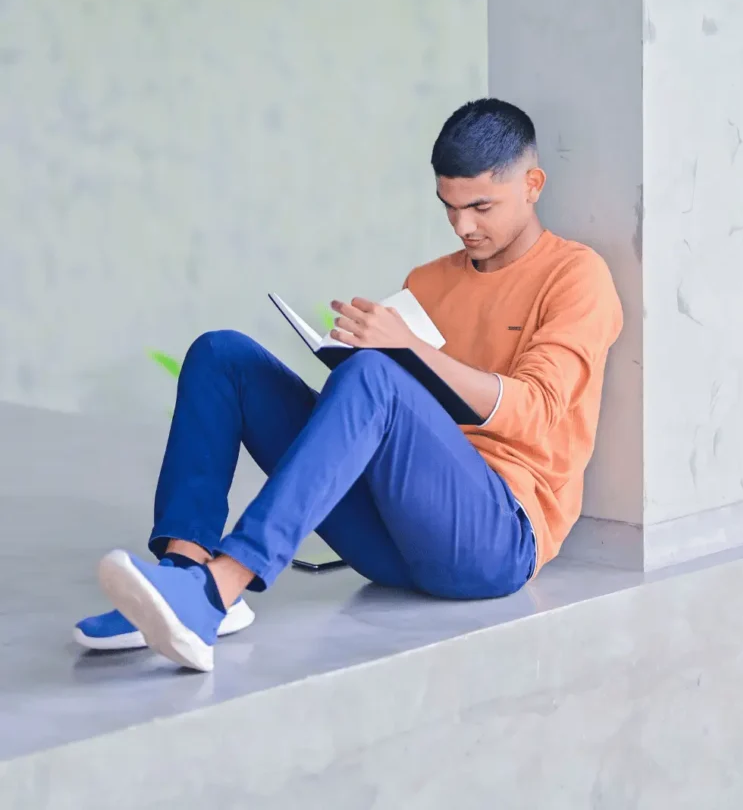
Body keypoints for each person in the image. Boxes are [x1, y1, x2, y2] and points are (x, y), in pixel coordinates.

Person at [76, 98, 623, 672]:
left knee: (375, 375)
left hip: (495, 542)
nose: (464, 226)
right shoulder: (430, 281)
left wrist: (400, 354)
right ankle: (181, 580)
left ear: (532, 184)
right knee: (222, 355)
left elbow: (535, 409)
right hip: (393, 538)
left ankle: (219, 589)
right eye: (449, 206)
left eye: (481, 207)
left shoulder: (575, 276)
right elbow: (404, 411)